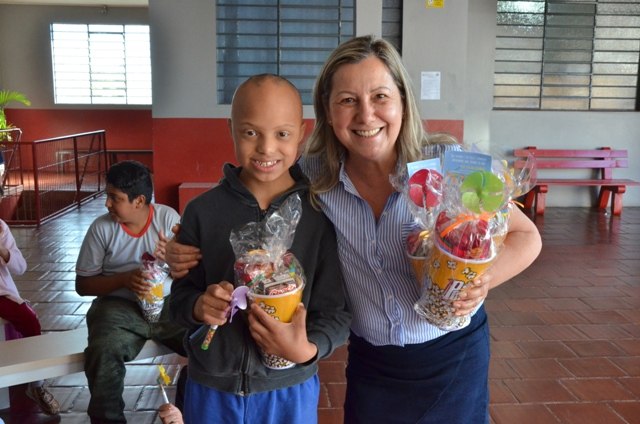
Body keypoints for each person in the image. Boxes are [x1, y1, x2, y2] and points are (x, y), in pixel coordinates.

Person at [165, 36, 542, 424]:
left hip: (451, 355)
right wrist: (185, 242)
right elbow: (258, 178)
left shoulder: (448, 164)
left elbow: (527, 237)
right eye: (347, 100)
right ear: (327, 113)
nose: (366, 115)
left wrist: (482, 280)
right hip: (373, 363)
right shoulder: (314, 176)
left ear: (402, 101)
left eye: (380, 96)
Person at [167, 74, 351, 424]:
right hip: (211, 388)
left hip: (289, 391)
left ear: (302, 131)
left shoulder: (320, 215)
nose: (266, 148)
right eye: (250, 132)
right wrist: (197, 305)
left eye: (282, 134)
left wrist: (307, 349)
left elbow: (337, 313)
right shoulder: (202, 212)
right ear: (231, 128)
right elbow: (176, 302)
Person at [75, 160, 187, 424]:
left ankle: (186, 413)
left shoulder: (167, 219)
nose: (107, 204)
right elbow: (83, 285)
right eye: (108, 196)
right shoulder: (102, 229)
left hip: (168, 304)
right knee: (103, 351)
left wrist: (172, 259)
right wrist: (125, 280)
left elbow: (188, 273)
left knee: (207, 346)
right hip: (118, 307)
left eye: (115, 198)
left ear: (139, 201)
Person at [0, 219, 60, 416]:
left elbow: (20, 267)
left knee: (29, 319)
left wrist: (4, 251)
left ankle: (37, 384)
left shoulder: (1, 228)